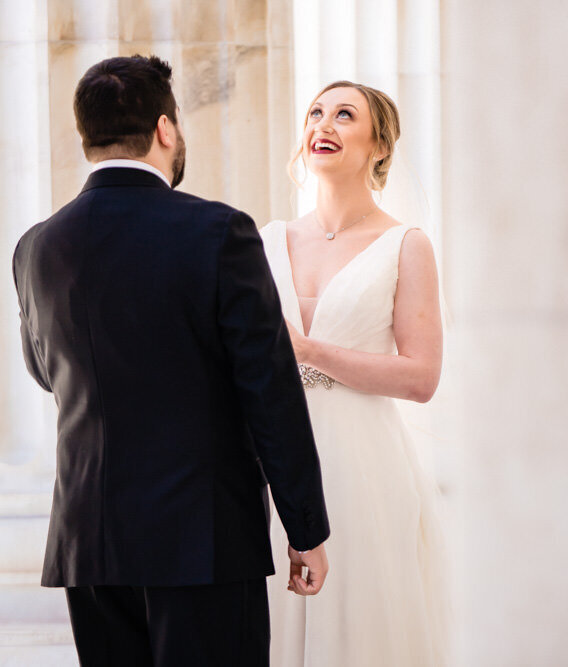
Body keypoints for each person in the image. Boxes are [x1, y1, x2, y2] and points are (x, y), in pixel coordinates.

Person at [11, 54, 331, 666]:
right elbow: (269, 392)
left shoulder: (35, 246)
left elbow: (45, 371)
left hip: (90, 542)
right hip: (202, 539)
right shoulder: (219, 233)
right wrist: (306, 527)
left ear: (87, 137)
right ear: (164, 129)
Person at [260, 81, 449, 666]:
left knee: (360, 621)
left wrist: (308, 352)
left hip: (363, 462)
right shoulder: (267, 241)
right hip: (271, 458)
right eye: (316, 112)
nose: (324, 124)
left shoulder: (405, 245)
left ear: (378, 147)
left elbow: (421, 377)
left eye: (345, 115)